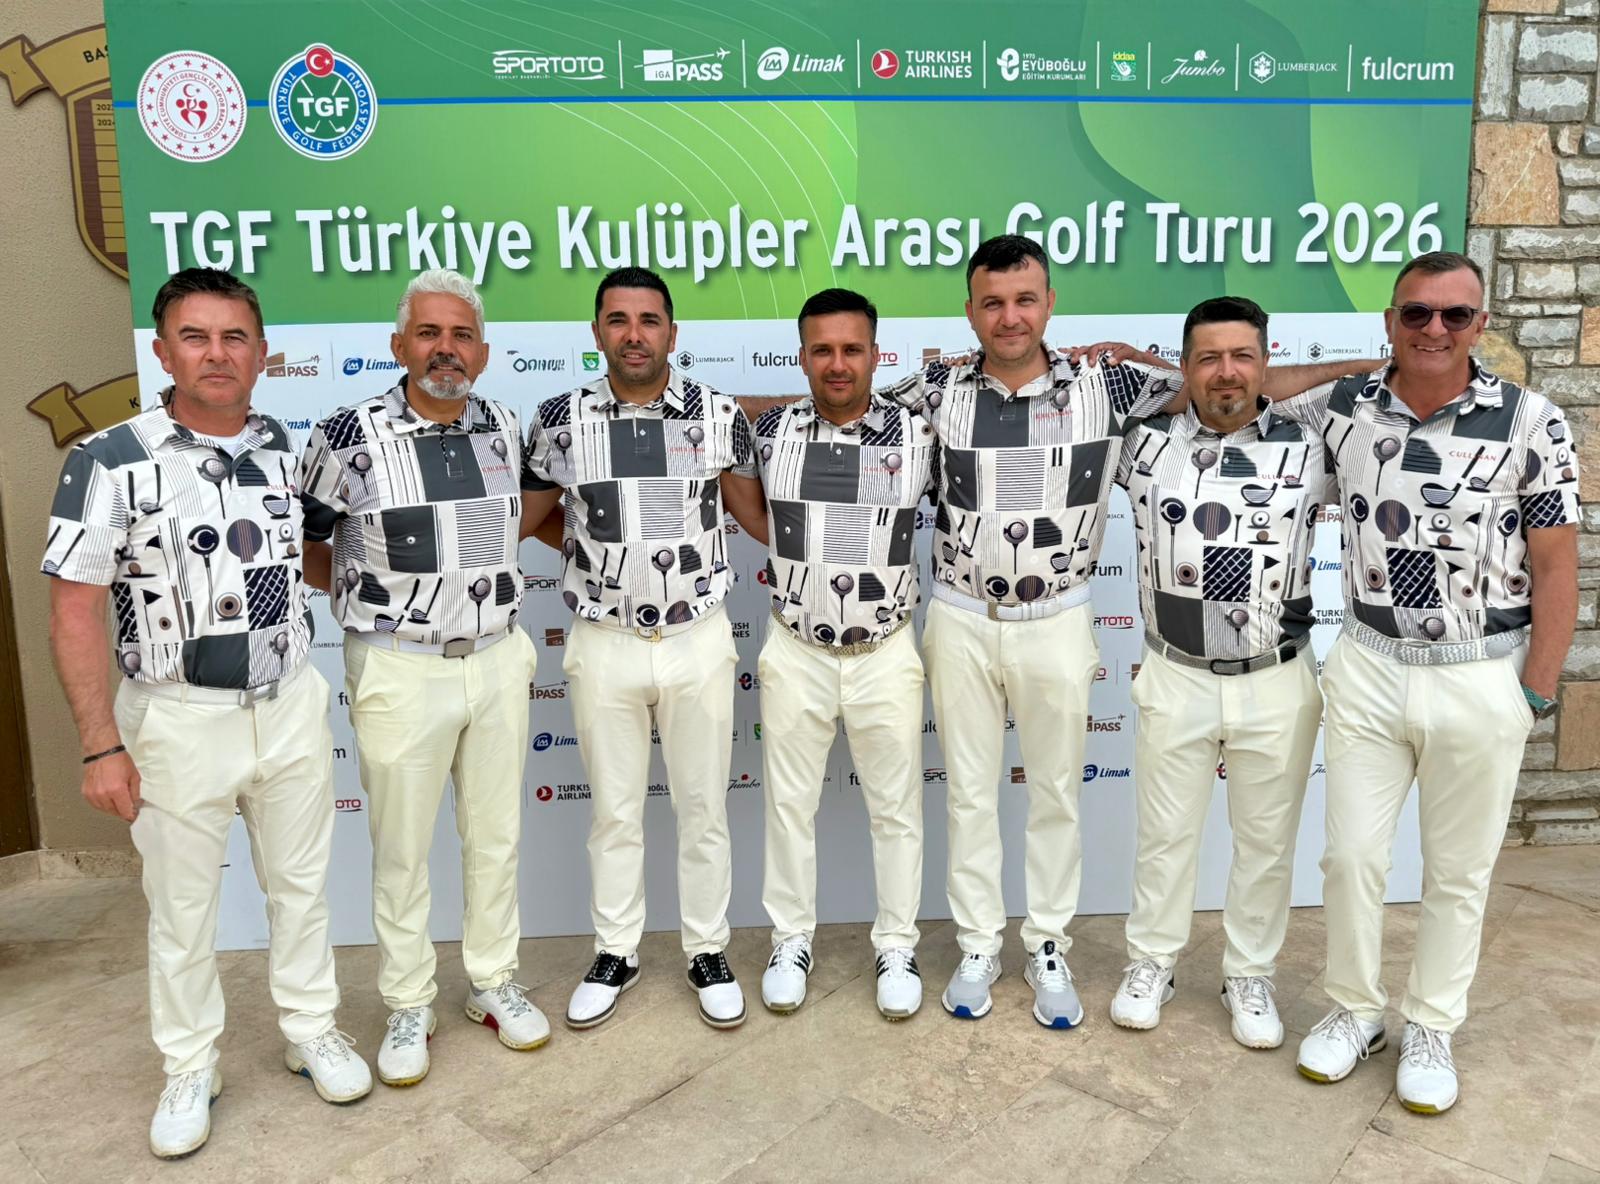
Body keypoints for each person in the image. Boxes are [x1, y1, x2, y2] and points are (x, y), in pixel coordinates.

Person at [889, 234, 1365, 1028]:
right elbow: (838, 410)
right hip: (962, 617)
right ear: (970, 311)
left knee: (1055, 796)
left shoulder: (1107, 386)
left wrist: (1378, 362)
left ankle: (1048, 946)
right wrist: (728, 414)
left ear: (1049, 303)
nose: (1010, 317)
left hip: (1058, 618)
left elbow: (1233, 384)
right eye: (993, 303)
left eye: (1026, 299)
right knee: (969, 795)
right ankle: (978, 945)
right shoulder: (935, 390)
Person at [44, 268, 371, 1159]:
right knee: (182, 909)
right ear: (163, 352)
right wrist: (99, 745)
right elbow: (74, 609)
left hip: (289, 704)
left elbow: (303, 561)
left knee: (301, 890)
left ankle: (311, 1030)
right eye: (196, 337)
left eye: (234, 338)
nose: (217, 354)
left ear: (262, 355)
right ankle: (190, 1064)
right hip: (177, 716)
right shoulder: (108, 459)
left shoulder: (280, 446)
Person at [1294, 251, 1579, 1113]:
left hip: (1480, 672)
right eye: (1415, 313)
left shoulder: (1531, 421)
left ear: (1480, 324)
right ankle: (1355, 1010)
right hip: (1370, 665)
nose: (1435, 329)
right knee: (1350, 856)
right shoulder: (1344, 409)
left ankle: (1431, 1024)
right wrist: (1368, 364)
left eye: (1455, 315)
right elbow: (1256, 385)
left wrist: (1533, 692)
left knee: (1458, 871)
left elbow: (1557, 566)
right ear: (1390, 319)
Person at [299, 269, 544, 1087]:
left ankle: (493, 982)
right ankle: (409, 1001)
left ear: (483, 351)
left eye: (462, 335)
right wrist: (365, 598)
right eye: (430, 333)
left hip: (498, 657)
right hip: (400, 666)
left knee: (495, 836)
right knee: (402, 848)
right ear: (398, 344)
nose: (447, 349)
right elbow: (304, 541)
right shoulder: (346, 436)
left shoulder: (502, 425)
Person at [520, 267, 767, 1030]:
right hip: (606, 642)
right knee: (615, 813)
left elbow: (751, 515)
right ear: (597, 331)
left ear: (672, 333)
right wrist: (593, 556)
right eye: (619, 320)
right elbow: (533, 516)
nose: (634, 335)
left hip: (697, 638)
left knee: (703, 809)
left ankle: (707, 950)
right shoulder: (558, 419)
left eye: (649, 320)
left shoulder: (716, 414)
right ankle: (616, 950)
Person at [1108, 296, 1340, 1048]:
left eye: (1243, 356)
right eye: (1208, 358)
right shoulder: (1140, 445)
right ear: (1184, 367)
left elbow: (1381, 382)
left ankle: (1250, 974)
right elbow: (1112, 384)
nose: (1226, 372)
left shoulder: (1315, 445)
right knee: (1164, 836)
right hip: (1175, 672)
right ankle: (1152, 962)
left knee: (1266, 844)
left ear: (1269, 364)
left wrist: (1374, 358)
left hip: (1277, 675)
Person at [722, 288, 935, 1019]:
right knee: (789, 807)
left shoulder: (919, 432)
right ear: (803, 356)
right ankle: (791, 940)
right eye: (822, 350)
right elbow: (753, 513)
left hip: (886, 649)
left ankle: (897, 944)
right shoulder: (770, 431)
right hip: (796, 648)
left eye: (851, 349)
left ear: (876, 354)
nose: (837, 364)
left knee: (896, 810)